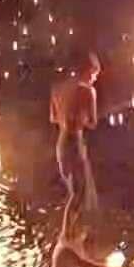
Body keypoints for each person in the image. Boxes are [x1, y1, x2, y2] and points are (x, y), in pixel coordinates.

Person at [51, 52, 101, 241]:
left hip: (61, 143)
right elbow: (93, 122)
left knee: (74, 191)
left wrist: (69, 116)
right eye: (94, 75)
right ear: (88, 71)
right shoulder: (88, 91)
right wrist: (82, 117)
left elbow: (54, 118)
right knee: (80, 193)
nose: (95, 79)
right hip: (75, 143)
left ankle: (71, 233)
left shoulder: (57, 89)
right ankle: (68, 234)